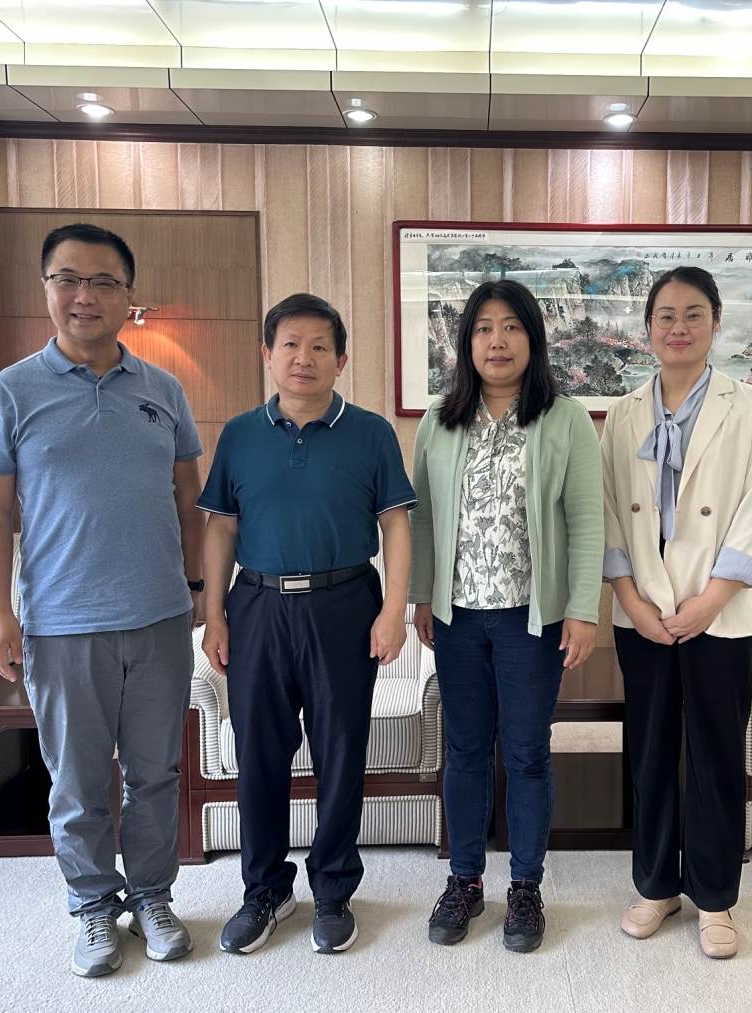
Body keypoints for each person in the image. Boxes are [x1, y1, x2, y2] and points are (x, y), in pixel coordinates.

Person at [0, 223, 204, 978]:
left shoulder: (163, 390)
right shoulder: (10, 392)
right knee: (76, 781)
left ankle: (153, 897)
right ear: (46, 288)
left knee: (155, 774)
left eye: (104, 282)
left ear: (128, 296)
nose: (85, 296)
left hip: (159, 616)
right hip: (62, 622)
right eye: (68, 279)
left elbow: (189, 498)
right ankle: (93, 905)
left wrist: (199, 589)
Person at [199, 293, 414, 956]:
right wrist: (214, 614)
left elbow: (395, 524)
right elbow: (222, 527)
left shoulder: (371, 432)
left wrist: (393, 609)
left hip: (343, 602)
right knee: (259, 754)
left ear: (341, 360)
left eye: (320, 346)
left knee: (340, 750)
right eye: (290, 344)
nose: (304, 358)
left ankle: (333, 889)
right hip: (258, 606)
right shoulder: (239, 434)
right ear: (267, 354)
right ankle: (265, 889)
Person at [410, 279, 603, 953]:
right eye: (484, 328)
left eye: (511, 327)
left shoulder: (565, 419)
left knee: (525, 752)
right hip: (458, 616)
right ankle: (464, 879)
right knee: (465, 749)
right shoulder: (440, 420)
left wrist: (581, 609)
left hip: (532, 619)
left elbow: (587, 521)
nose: (497, 340)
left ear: (533, 339)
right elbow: (423, 518)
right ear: (466, 342)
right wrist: (422, 596)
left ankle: (525, 885)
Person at [599, 265, 752, 959]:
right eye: (665, 316)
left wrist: (709, 600)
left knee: (715, 754)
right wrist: (629, 598)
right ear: (647, 329)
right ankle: (654, 885)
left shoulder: (747, 405)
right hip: (642, 610)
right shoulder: (622, 413)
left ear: (715, 323)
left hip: (719, 611)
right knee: (649, 753)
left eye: (693, 314)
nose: (678, 327)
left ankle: (716, 896)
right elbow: (607, 512)